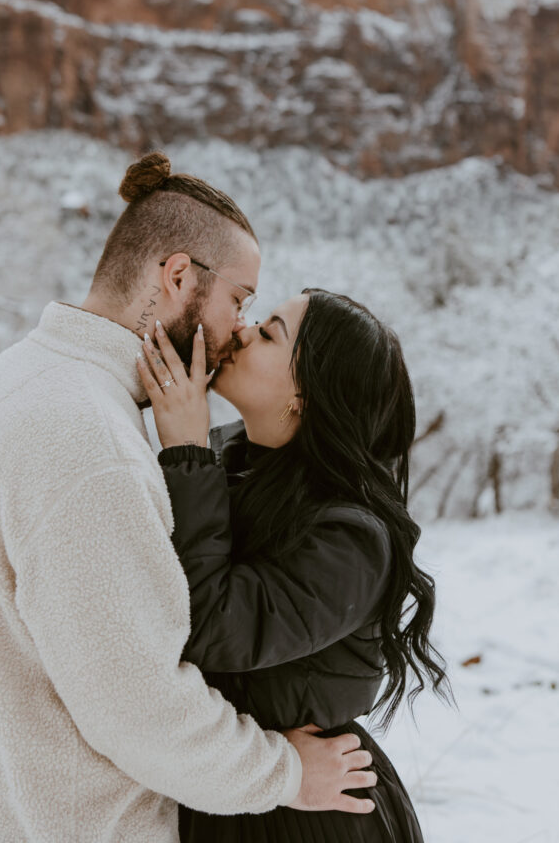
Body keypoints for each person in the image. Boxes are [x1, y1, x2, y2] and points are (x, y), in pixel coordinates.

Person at [0, 154, 377, 842]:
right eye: (238, 300)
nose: (236, 330)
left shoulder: (5, 381)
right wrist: (283, 774)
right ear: (178, 276)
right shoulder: (91, 443)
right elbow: (138, 705)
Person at [136, 287, 453, 841]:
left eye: (268, 333)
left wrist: (186, 453)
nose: (240, 332)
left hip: (308, 815)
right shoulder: (236, 469)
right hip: (240, 788)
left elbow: (206, 626)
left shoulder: (352, 539)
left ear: (303, 398)